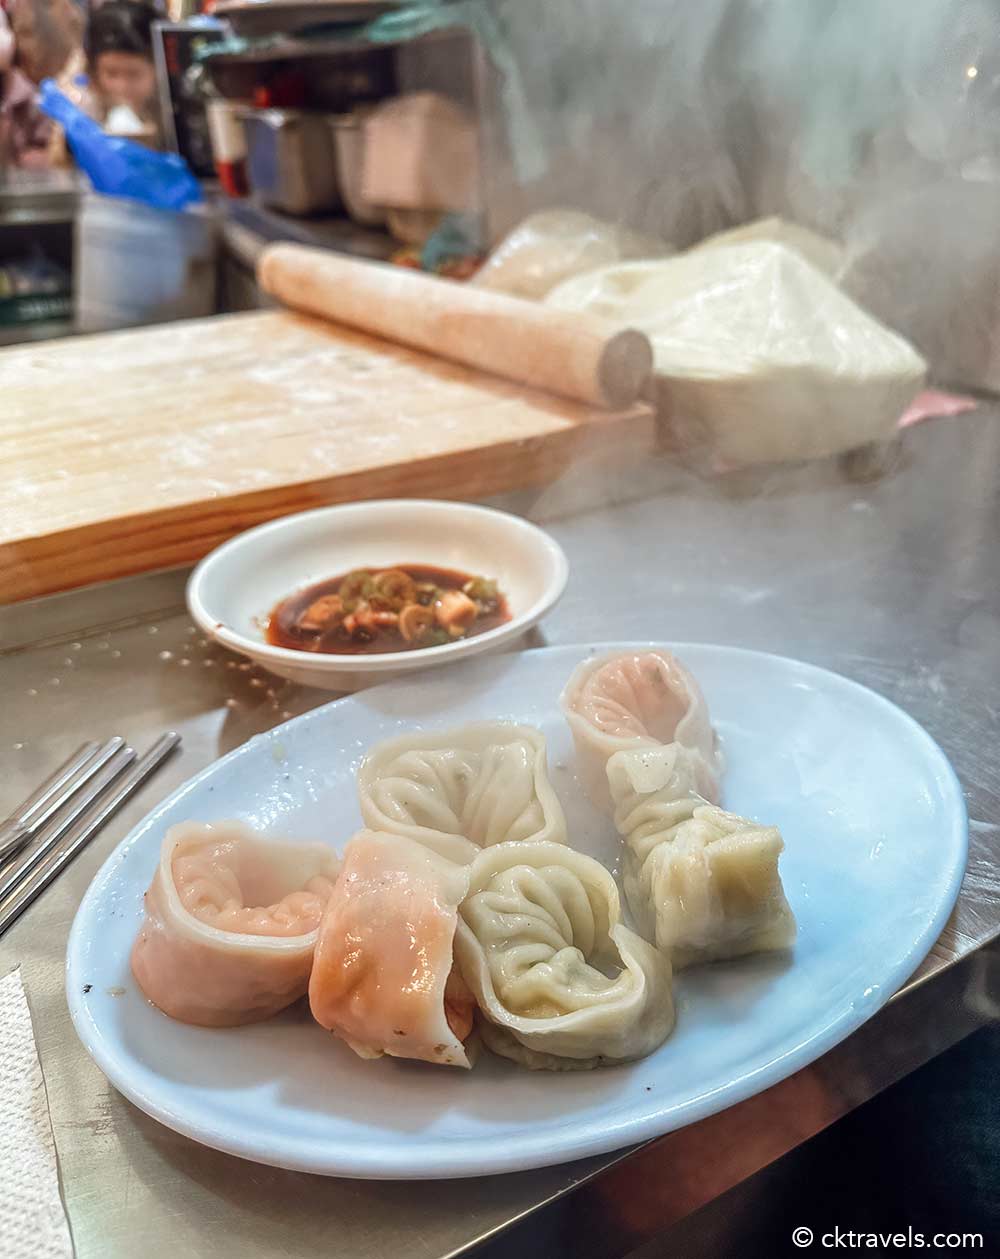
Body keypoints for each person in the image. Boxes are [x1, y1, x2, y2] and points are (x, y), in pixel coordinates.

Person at [83, 0, 160, 140]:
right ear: (94, 72)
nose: (122, 87)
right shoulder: (82, 108)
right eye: (111, 74)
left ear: (158, 69)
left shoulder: (176, 118)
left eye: (134, 74)